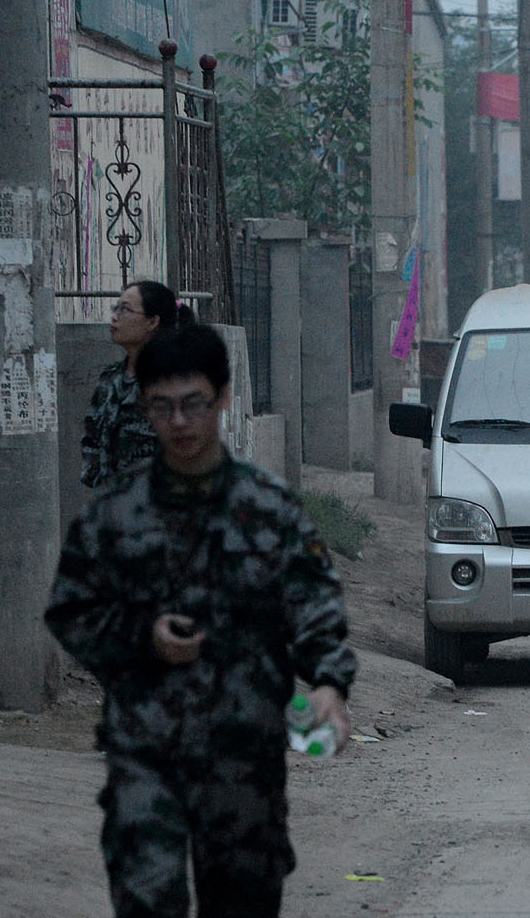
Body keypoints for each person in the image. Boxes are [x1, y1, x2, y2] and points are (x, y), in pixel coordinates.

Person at [46, 323, 356, 918]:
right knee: (147, 898)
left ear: (223, 398)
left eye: (193, 404)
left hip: (242, 750)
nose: (179, 423)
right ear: (144, 408)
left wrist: (327, 683)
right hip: (145, 750)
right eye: (162, 407)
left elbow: (315, 602)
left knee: (242, 900)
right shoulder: (114, 515)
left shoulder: (269, 508)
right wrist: (142, 637)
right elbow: (71, 610)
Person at [80, 280, 193, 488]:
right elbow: (92, 438)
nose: (115, 317)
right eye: (116, 309)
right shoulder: (111, 377)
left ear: (152, 322)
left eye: (125, 310)